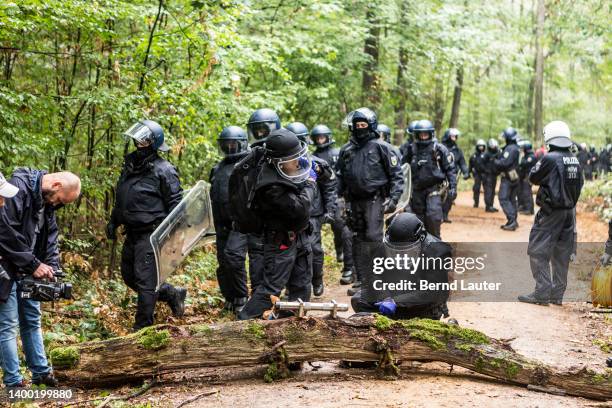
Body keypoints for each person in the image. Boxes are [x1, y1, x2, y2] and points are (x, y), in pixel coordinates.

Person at [0, 170, 81, 387]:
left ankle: (41, 373)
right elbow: (5, 232)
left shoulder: (47, 203)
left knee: (32, 320)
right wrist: (34, 264)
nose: (58, 205)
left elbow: (50, 236)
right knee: (8, 325)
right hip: (6, 268)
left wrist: (52, 267)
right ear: (55, 185)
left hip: (29, 269)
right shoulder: (18, 188)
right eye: (60, 200)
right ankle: (14, 382)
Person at [107, 120, 187, 331]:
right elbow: (122, 197)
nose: (139, 144)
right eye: (137, 140)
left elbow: (176, 205)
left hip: (152, 233)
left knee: (145, 281)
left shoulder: (165, 170)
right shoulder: (131, 166)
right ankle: (171, 293)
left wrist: (171, 237)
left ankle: (142, 328)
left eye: (144, 140)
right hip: (132, 232)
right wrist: (113, 221)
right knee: (129, 276)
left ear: (154, 142)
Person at [237, 129, 316, 320]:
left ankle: (292, 325)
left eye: (298, 157)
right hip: (281, 243)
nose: (297, 163)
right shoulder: (269, 186)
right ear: (277, 162)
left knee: (302, 285)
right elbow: (300, 208)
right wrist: (310, 183)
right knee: (270, 289)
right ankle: (243, 322)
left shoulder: (286, 171)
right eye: (292, 159)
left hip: (300, 237)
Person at [336, 108, 404, 295]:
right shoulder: (346, 150)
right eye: (357, 125)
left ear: (371, 125)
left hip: (375, 200)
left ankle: (377, 281)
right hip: (353, 201)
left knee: (373, 239)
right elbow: (339, 176)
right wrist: (337, 198)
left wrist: (393, 199)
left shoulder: (383, 148)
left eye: (363, 125)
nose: (360, 128)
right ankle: (361, 281)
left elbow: (397, 176)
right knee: (356, 239)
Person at [519, 121, 583, 305]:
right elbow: (580, 184)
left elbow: (533, 177)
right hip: (569, 213)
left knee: (538, 249)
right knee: (562, 252)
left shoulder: (550, 158)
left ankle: (542, 292)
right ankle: (557, 295)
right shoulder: (575, 159)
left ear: (550, 137)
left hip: (551, 212)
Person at [351, 212, 451, 320]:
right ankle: (387, 322)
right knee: (358, 299)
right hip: (393, 294)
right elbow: (373, 274)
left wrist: (396, 302)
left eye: (405, 250)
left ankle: (394, 321)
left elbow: (432, 291)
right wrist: (385, 296)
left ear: (420, 239)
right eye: (394, 249)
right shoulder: (387, 244)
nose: (399, 255)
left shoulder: (438, 252)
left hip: (421, 306)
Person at [286, 122, 337, 296]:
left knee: (314, 249)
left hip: (313, 213)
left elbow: (329, 186)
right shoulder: (280, 165)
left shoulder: (316, 163)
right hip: (291, 214)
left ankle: (317, 280)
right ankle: (295, 286)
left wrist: (330, 209)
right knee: (290, 250)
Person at [210, 126, 251, 313]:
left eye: (233, 143)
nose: (229, 147)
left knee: (234, 258)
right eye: (226, 144)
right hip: (221, 223)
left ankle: (242, 296)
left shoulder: (247, 165)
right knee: (223, 262)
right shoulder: (217, 168)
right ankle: (230, 297)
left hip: (240, 223)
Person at [312, 125, 355, 281]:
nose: (320, 140)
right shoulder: (313, 156)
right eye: (317, 138)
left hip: (339, 197)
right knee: (334, 230)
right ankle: (339, 253)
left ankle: (346, 263)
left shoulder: (338, 153)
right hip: (322, 199)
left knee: (342, 229)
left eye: (322, 137)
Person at [408, 119, 456, 239]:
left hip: (434, 190)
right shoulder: (411, 149)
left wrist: (453, 186)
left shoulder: (439, 149)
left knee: (433, 218)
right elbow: (402, 169)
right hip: (417, 191)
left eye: (426, 134)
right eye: (421, 134)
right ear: (417, 134)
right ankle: (420, 247)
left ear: (430, 133)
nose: (423, 136)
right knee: (418, 220)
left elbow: (449, 169)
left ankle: (436, 246)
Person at [494, 127, 521, 230]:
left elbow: (505, 163)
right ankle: (513, 220)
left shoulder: (510, 149)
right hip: (514, 176)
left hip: (508, 178)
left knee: (503, 198)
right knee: (511, 199)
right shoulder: (514, 147)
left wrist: (494, 161)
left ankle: (512, 220)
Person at [441, 128, 469, 223]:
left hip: (452, 176)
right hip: (441, 175)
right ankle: (437, 214)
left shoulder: (457, 150)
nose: (454, 138)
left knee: (451, 195)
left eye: (455, 136)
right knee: (439, 195)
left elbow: (462, 163)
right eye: (452, 136)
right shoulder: (441, 147)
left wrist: (466, 172)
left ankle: (445, 214)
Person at [517, 140, 536, 215]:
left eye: (523, 148)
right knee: (524, 192)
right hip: (525, 175)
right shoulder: (526, 155)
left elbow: (524, 164)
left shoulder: (531, 156)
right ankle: (526, 208)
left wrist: (521, 160)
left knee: (527, 192)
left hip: (528, 176)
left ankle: (529, 209)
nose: (522, 149)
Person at [482, 138, 500, 212]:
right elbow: (481, 164)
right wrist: (486, 170)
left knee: (492, 191)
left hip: (494, 175)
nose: (493, 147)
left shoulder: (497, 153)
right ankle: (488, 206)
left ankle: (491, 205)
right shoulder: (486, 154)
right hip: (487, 176)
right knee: (488, 191)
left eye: (494, 146)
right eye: (492, 146)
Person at [468, 139, 487, 208]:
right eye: (479, 146)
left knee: (487, 189)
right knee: (476, 188)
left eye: (482, 146)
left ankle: (488, 204)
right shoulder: (474, 156)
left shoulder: (486, 155)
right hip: (477, 174)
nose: (481, 147)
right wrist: (468, 173)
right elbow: (470, 165)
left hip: (485, 174)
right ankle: (476, 203)